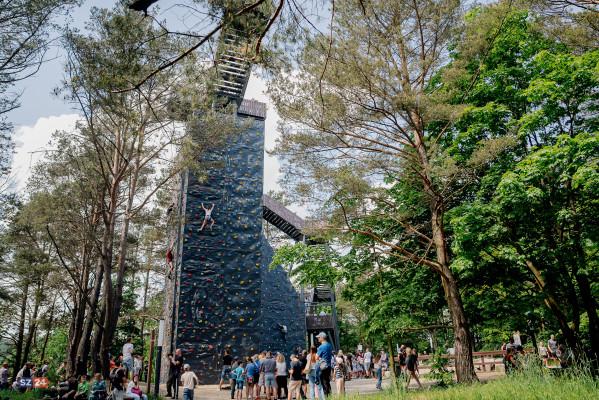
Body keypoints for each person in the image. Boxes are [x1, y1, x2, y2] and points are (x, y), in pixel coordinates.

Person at [315, 332, 333, 397]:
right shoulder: (329, 345)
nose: (318, 339)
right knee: (327, 381)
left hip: (323, 366)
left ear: (322, 338)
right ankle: (329, 395)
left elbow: (316, 357)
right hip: (328, 365)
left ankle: (326, 396)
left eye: (319, 337)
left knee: (323, 382)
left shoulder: (321, 346)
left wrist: (319, 356)